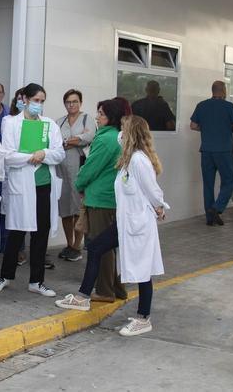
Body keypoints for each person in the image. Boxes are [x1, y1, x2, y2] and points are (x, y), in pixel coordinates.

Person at [56, 116, 169, 337]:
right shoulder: (127, 159)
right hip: (125, 222)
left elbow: (152, 190)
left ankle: (143, 318)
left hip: (139, 225)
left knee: (143, 270)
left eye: (124, 130)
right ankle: (83, 297)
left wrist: (160, 206)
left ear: (131, 134)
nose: (120, 133)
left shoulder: (138, 160)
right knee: (97, 248)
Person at [0, 84, 64, 298]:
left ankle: (36, 281)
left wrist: (43, 152)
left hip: (43, 185)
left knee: (41, 234)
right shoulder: (10, 122)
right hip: (21, 186)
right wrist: (32, 157)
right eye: (36, 100)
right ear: (25, 99)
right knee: (16, 232)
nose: (38, 105)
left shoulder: (49, 125)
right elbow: (8, 155)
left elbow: (59, 153)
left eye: (42, 101)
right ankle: (5, 276)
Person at [73, 98, 129, 302]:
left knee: (100, 248)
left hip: (101, 200)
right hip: (110, 199)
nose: (97, 117)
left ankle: (105, 291)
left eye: (102, 114)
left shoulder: (106, 139)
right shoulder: (117, 137)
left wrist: (79, 184)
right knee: (109, 247)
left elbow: (91, 168)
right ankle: (116, 288)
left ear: (111, 117)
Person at [189, 81, 233, 226]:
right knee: (230, 181)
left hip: (206, 151)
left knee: (208, 184)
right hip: (223, 151)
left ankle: (210, 218)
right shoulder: (229, 107)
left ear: (212, 91)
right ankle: (217, 208)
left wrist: (206, 129)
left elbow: (193, 125)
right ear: (224, 91)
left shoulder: (202, 105)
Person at [57, 89, 94, 261]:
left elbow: (89, 137)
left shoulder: (88, 119)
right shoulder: (60, 121)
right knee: (65, 209)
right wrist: (74, 140)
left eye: (75, 101)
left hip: (79, 169)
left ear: (80, 102)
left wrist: (70, 140)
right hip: (62, 170)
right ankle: (69, 243)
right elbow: (56, 142)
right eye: (68, 102)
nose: (72, 105)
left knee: (79, 208)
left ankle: (77, 245)